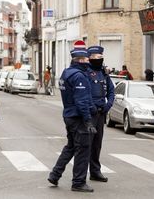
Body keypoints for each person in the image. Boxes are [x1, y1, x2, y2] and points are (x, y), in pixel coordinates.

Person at [48, 47, 97, 193]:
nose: (89, 62)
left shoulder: (66, 73)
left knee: (70, 147)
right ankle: (78, 182)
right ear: (81, 60)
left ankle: (55, 174)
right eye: (87, 59)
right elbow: (81, 101)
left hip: (69, 115)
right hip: (78, 118)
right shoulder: (79, 76)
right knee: (83, 149)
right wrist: (88, 120)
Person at [87, 46, 115, 183]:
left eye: (101, 57)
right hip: (90, 113)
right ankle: (80, 174)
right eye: (97, 57)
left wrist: (108, 105)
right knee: (86, 144)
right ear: (90, 57)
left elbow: (111, 91)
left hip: (101, 113)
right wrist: (92, 107)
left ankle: (95, 171)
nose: (100, 59)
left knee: (97, 144)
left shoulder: (104, 73)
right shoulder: (86, 72)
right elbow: (85, 93)